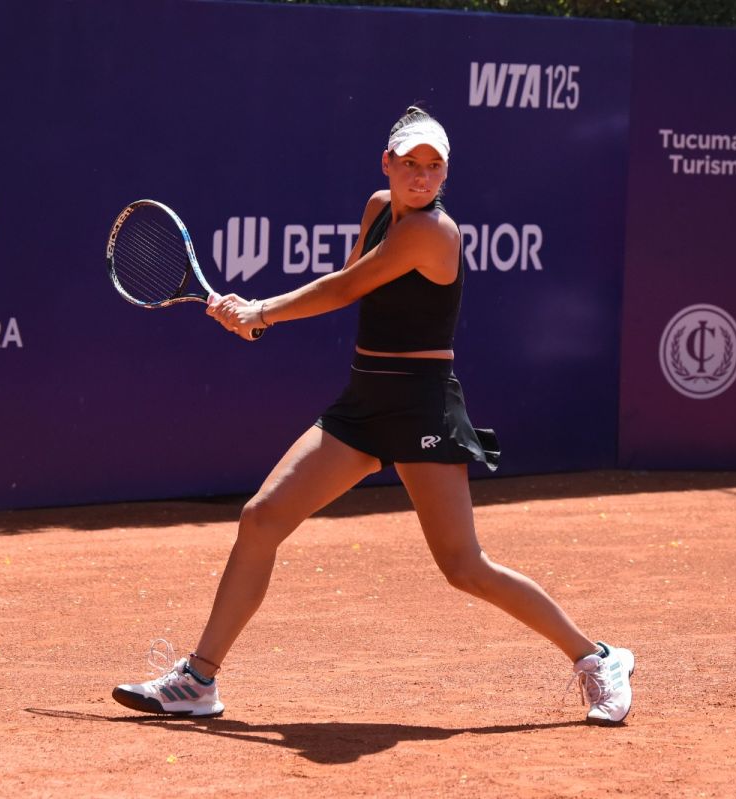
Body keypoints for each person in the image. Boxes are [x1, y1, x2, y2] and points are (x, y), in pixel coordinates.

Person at [112, 106, 635, 723]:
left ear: (446, 174)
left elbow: (343, 291)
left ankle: (598, 657)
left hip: (421, 404)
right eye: (409, 163)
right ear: (387, 163)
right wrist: (258, 313)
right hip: (364, 401)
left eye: (433, 166)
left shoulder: (433, 232)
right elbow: (345, 276)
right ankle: (198, 680)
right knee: (261, 519)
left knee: (464, 567)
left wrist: (259, 311)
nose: (421, 176)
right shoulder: (378, 208)